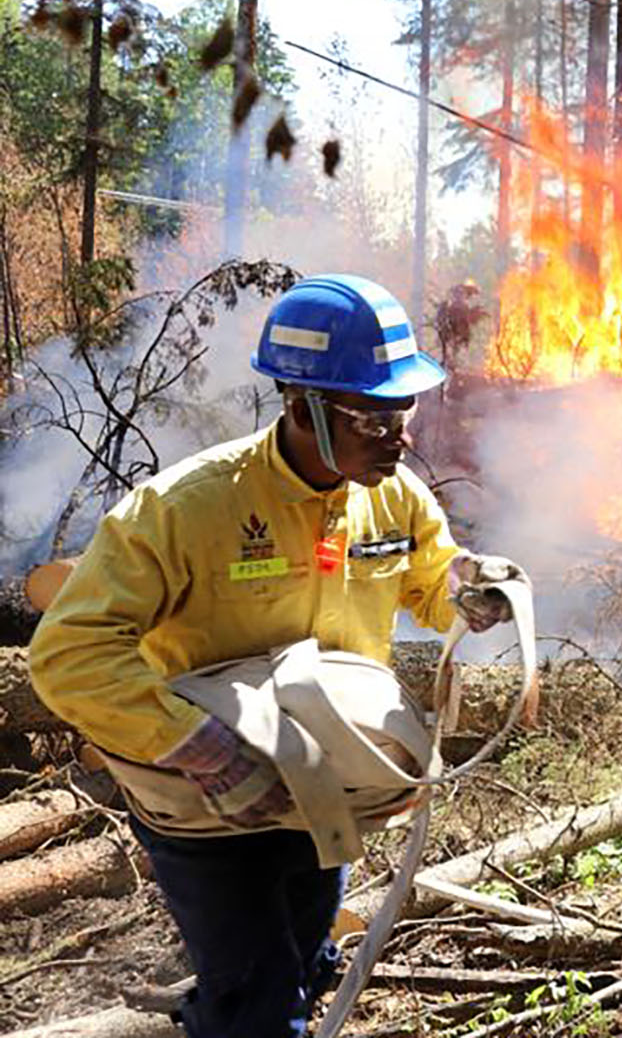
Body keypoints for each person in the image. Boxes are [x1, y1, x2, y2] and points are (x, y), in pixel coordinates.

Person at [29, 274, 523, 1038]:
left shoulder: (393, 497)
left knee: (302, 966)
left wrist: (465, 590)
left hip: (320, 787)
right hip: (206, 802)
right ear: (299, 406)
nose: (400, 436)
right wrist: (198, 746)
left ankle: (220, 1008)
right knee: (261, 1008)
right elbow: (65, 655)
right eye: (371, 416)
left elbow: (429, 578)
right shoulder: (185, 509)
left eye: (404, 410)